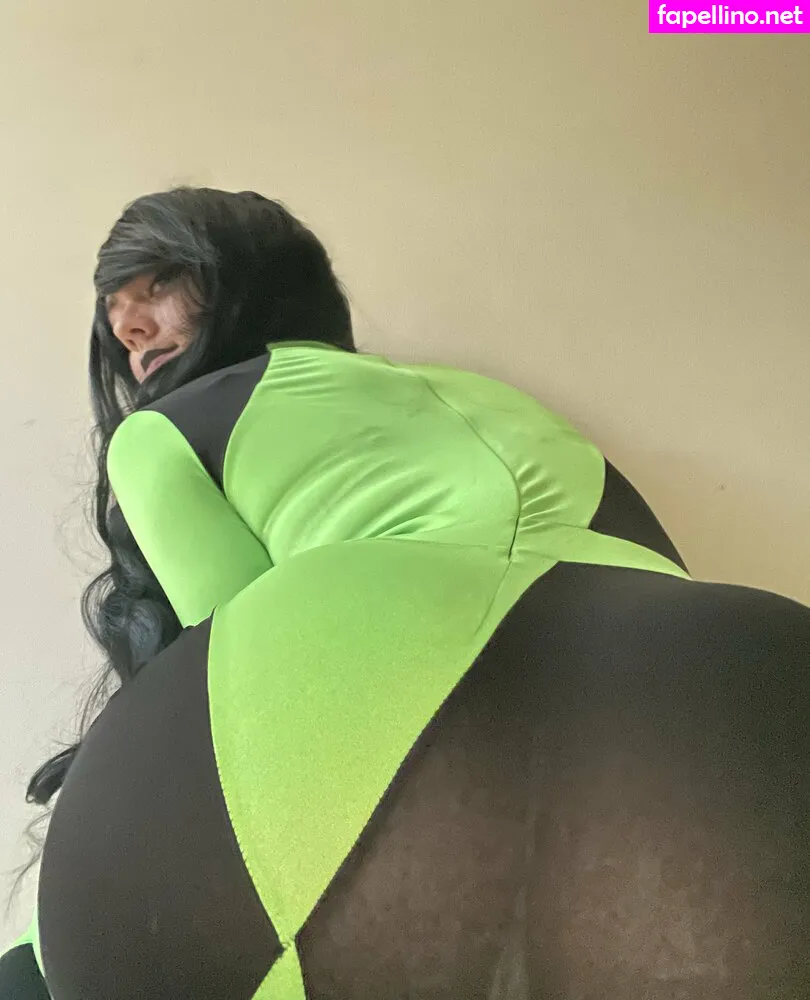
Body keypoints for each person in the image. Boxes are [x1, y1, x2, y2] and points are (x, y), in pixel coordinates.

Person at [1, 187, 808, 1000]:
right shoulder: (495, 396)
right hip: (705, 650)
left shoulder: (158, 434)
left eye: (159, 284)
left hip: (374, 651)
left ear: (253, 282)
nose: (127, 327)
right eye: (114, 308)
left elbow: (228, 682)